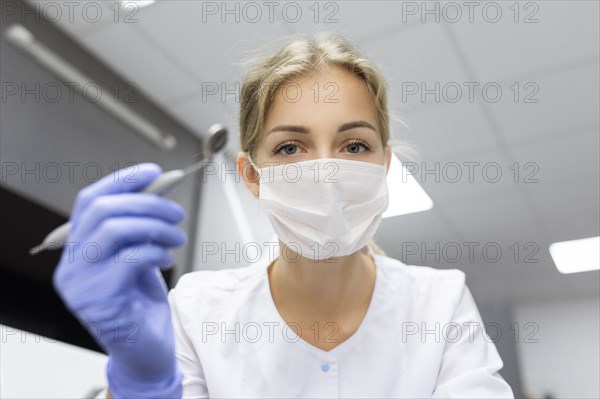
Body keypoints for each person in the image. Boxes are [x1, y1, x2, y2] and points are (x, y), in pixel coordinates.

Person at [53, 32, 515, 398]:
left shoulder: (439, 302)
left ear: (385, 166)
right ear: (252, 176)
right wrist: (140, 382)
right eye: (290, 147)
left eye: (354, 145)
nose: (326, 172)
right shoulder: (197, 310)